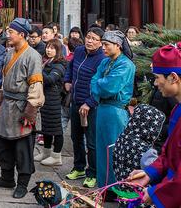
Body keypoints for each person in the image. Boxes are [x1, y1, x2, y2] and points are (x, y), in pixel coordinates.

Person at [0, 18, 45, 199]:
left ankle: (22, 183)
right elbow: (5, 81)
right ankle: (6, 177)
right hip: (7, 104)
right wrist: (0, 100)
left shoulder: (33, 56)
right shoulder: (8, 53)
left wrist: (31, 109)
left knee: (23, 148)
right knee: (1, 142)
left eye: (11, 32)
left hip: (23, 106)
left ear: (22, 35)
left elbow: (36, 84)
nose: (8, 34)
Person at [128, 42, 181, 207]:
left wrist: (156, 193)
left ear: (173, 77)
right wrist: (150, 173)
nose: (156, 84)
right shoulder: (177, 110)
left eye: (157, 78)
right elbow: (169, 152)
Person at [91, 30, 135, 198]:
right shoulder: (105, 62)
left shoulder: (126, 64)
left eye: (106, 45)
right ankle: (104, 187)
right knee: (101, 150)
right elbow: (95, 81)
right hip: (103, 109)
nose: (103, 48)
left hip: (116, 112)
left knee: (114, 150)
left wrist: (99, 84)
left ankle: (116, 189)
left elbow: (109, 87)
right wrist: (99, 85)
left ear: (118, 46)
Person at [63, 26, 105, 188]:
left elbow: (100, 86)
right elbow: (70, 67)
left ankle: (92, 172)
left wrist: (90, 102)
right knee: (76, 137)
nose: (90, 41)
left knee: (92, 142)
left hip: (92, 107)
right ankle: (78, 167)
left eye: (95, 39)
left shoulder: (102, 58)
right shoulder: (79, 51)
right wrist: (67, 80)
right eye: (89, 37)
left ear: (101, 43)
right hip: (76, 101)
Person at [112, 104, 165, 208]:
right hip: (142, 200)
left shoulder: (122, 139)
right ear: (151, 127)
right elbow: (157, 175)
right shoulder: (147, 151)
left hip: (124, 197)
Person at [34, 39, 66, 167]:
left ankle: (56, 156)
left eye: (53, 48)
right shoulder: (47, 62)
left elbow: (50, 80)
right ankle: (46, 152)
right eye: (48, 47)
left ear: (58, 51)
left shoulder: (59, 65)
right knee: (46, 128)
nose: (48, 50)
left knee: (56, 129)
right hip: (45, 100)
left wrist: (37, 70)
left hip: (53, 100)